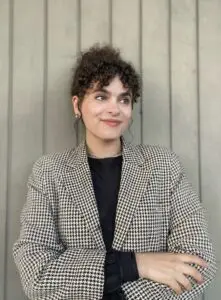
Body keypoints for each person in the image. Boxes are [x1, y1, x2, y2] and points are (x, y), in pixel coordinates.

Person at [13, 45, 217, 300]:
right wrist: (136, 264)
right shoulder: (49, 172)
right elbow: (36, 273)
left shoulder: (164, 166)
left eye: (124, 99)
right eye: (101, 96)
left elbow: (198, 266)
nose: (115, 109)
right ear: (77, 105)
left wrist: (102, 285)